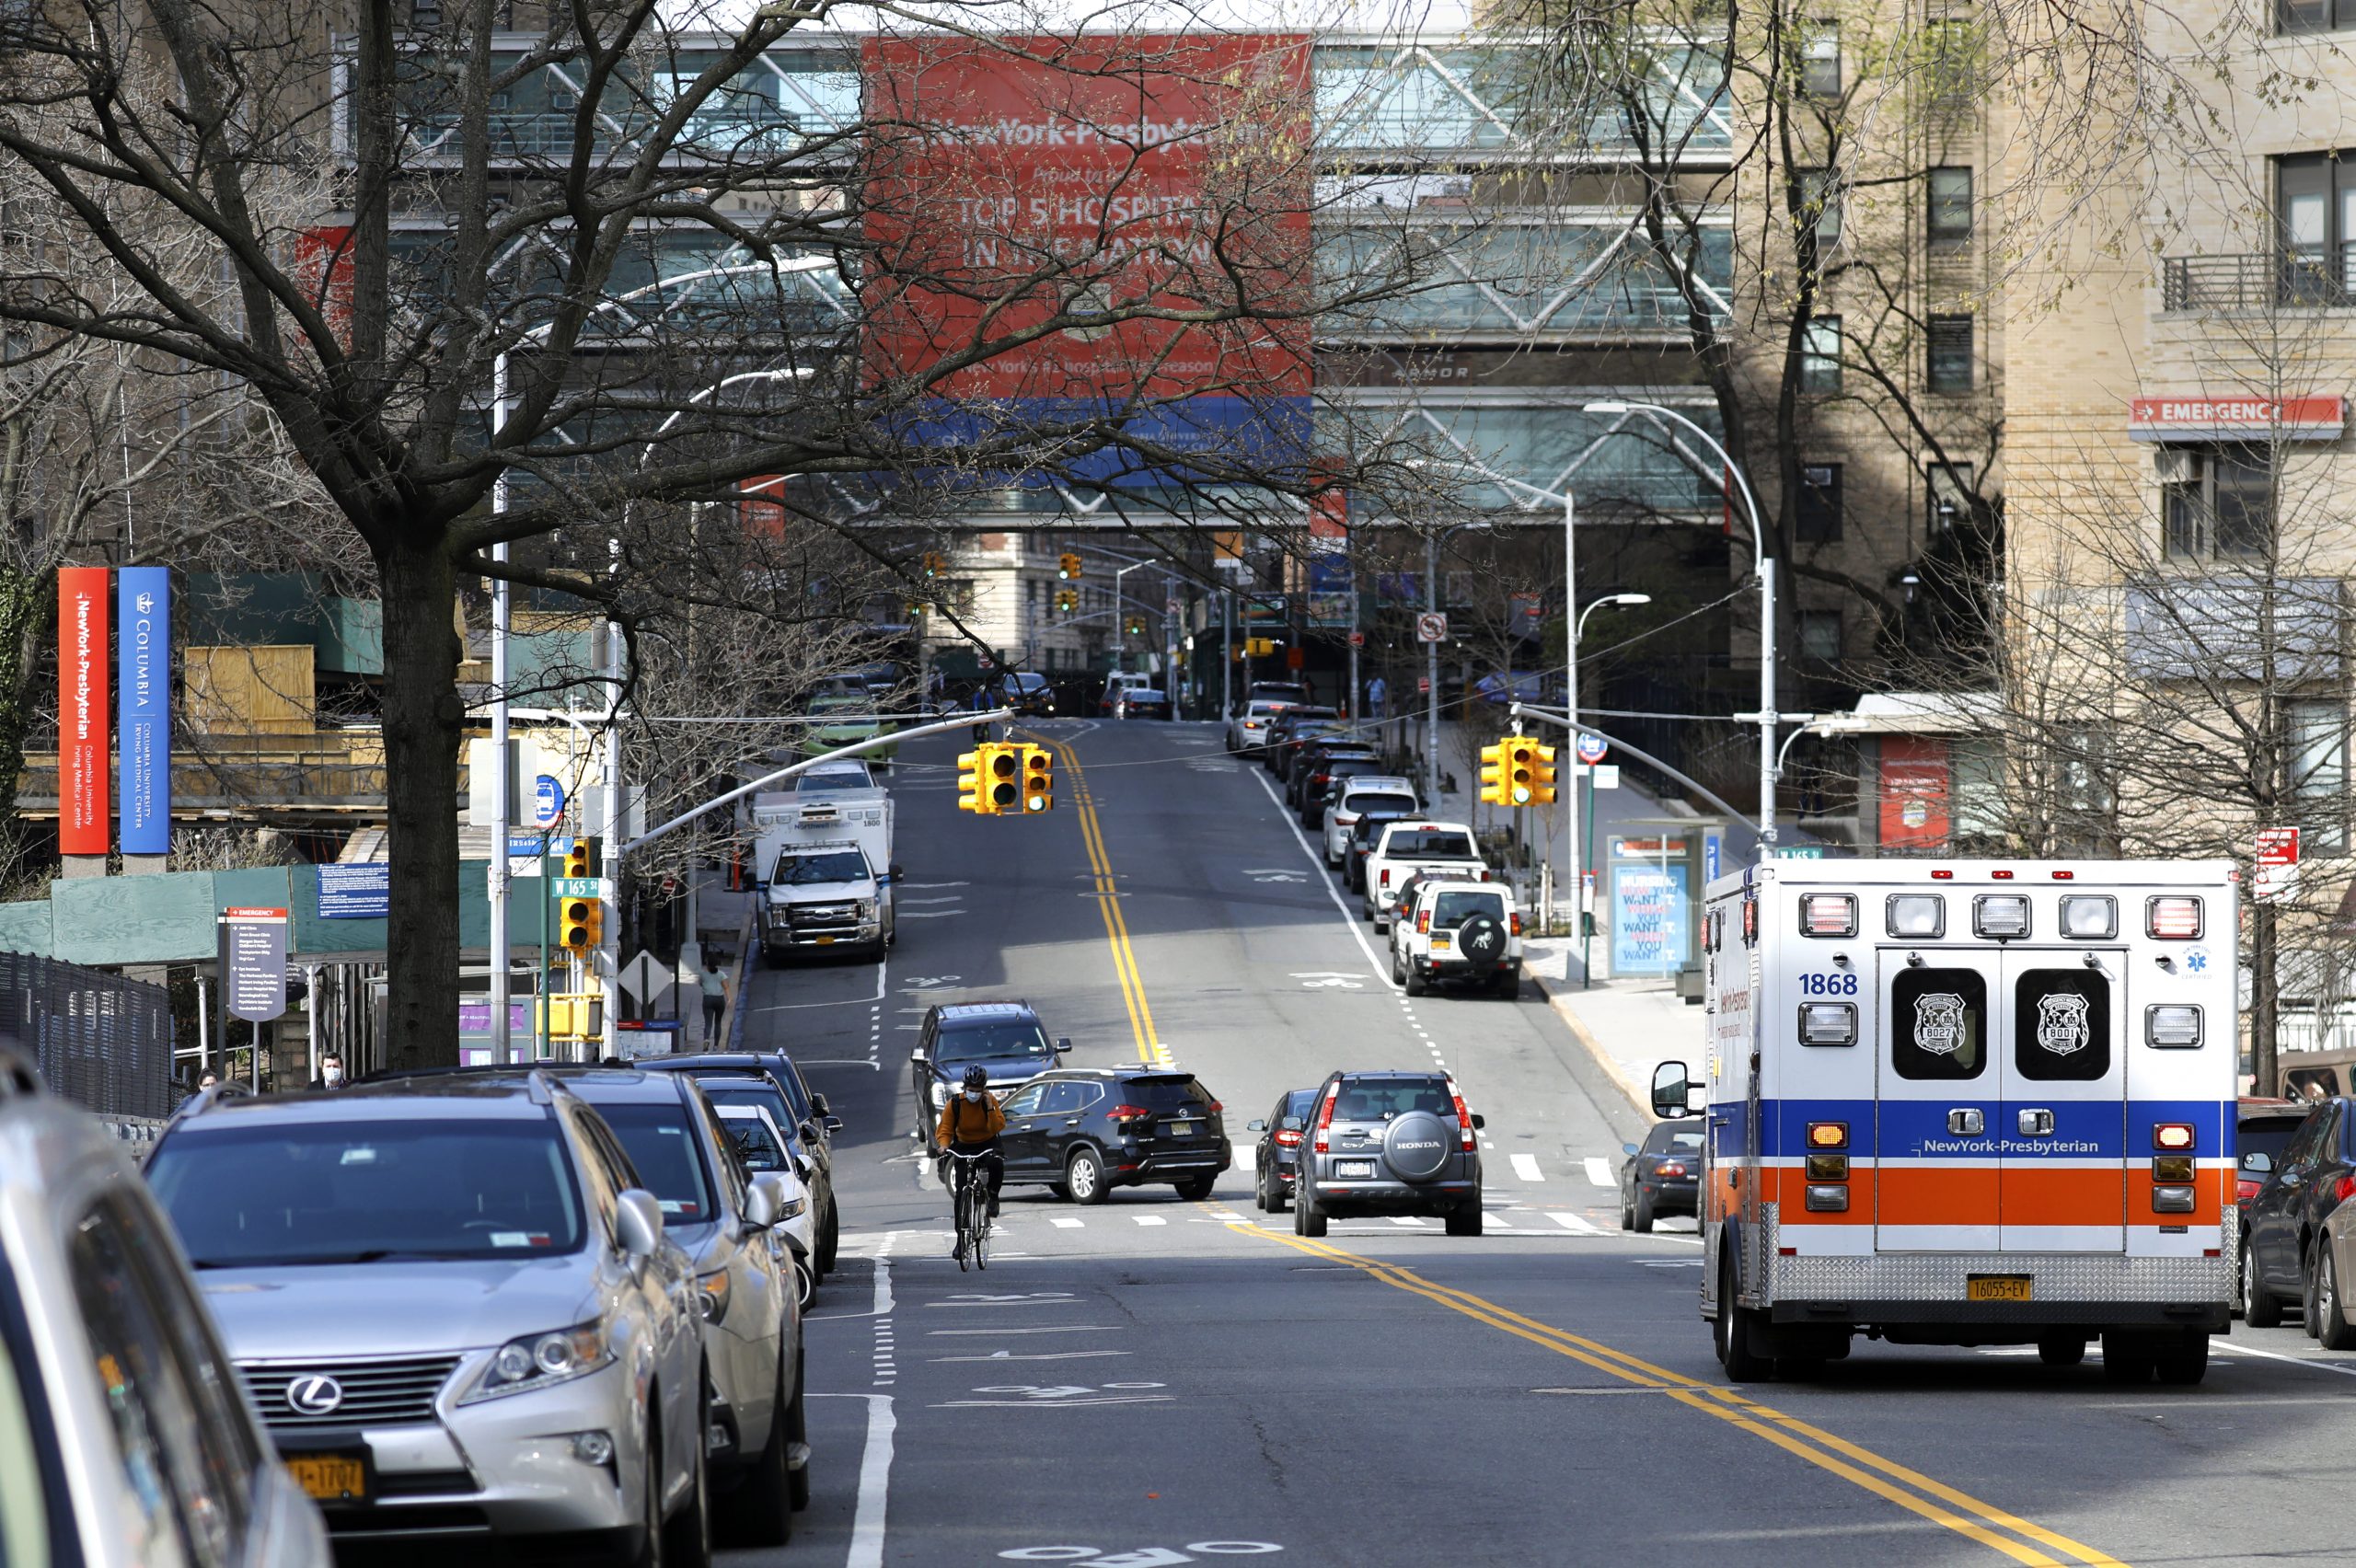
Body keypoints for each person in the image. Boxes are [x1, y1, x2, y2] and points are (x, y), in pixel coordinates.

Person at [934, 1064, 1006, 1224]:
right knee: (961, 1194)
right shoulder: (955, 1104)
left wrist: (989, 1107)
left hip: (987, 1143)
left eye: (978, 1090)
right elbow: (945, 1129)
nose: (974, 1093)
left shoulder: (989, 1101)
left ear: (984, 1089)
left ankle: (993, 1197)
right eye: (971, 1089)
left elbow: (996, 1127)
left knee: (996, 1162)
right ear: (964, 1087)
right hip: (963, 1146)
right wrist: (944, 1145)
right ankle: (960, 1242)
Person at [699, 957, 729, 1040]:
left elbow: (700, 983)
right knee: (718, 1023)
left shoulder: (703, 974)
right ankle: (716, 1046)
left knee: (708, 1023)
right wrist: (729, 999)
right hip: (719, 999)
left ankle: (706, 1040)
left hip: (708, 999)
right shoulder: (721, 974)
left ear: (708, 965)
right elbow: (726, 986)